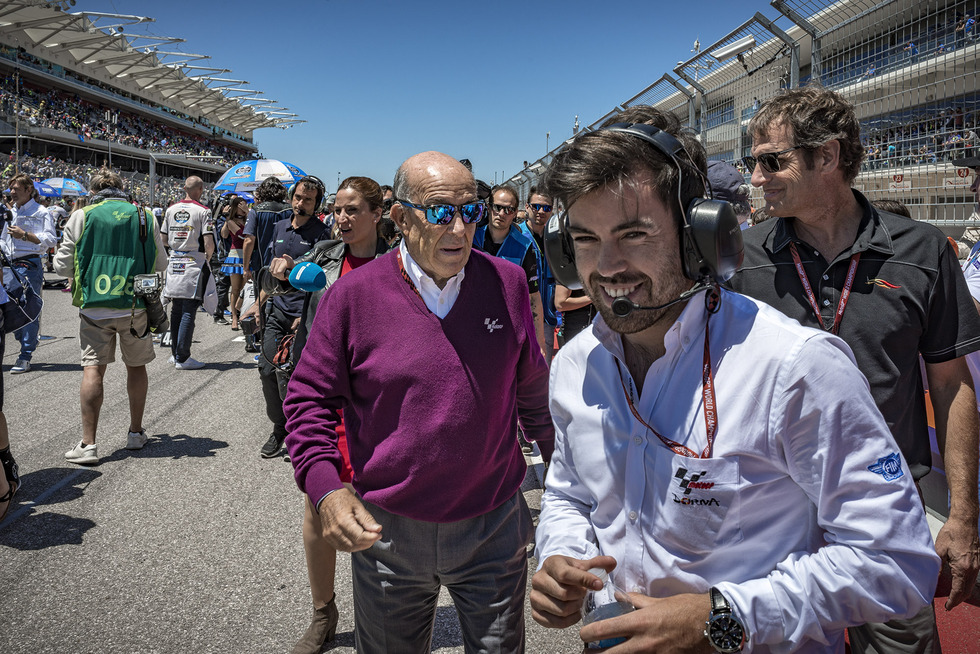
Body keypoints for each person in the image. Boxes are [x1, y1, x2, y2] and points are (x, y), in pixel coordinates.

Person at [530, 107, 942, 653]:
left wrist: (724, 619)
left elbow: (897, 562)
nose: (607, 267)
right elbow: (568, 493)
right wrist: (560, 554)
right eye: (584, 239)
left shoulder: (795, 368)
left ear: (701, 236)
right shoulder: (575, 365)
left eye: (634, 233)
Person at [729, 86, 980, 652]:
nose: (757, 177)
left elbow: (950, 382)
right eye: (753, 163)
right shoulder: (740, 257)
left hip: (884, 501)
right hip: (776, 505)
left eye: (773, 160)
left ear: (828, 156)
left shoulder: (922, 250)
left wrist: (963, 513)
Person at [283, 151, 554, 653]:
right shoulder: (351, 297)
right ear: (401, 217)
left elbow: (534, 395)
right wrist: (326, 488)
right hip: (386, 536)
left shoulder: (508, 283)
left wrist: (568, 487)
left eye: (470, 211)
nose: (459, 226)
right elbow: (308, 399)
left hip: (493, 527)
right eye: (439, 212)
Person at [261, 175, 390, 654]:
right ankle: (323, 611)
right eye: (337, 209)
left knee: (380, 506)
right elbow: (291, 285)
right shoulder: (322, 257)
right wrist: (277, 273)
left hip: (378, 396)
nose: (342, 217)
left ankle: (382, 609)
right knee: (320, 503)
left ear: (378, 214)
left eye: (353, 209)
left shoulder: (399, 264)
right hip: (328, 391)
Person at [53, 168, 168, 466]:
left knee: (93, 369)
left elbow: (62, 267)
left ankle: (88, 445)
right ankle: (135, 433)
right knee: (136, 367)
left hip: (94, 305)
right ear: (121, 188)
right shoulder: (144, 215)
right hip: (134, 304)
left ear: (93, 191)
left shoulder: (82, 215)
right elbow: (160, 263)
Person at [248, 176, 329, 459]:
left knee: (294, 375)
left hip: (303, 316)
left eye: (307, 200)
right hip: (276, 310)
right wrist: (258, 305)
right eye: (297, 197)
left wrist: (307, 314)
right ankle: (279, 426)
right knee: (267, 369)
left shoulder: (324, 234)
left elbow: (321, 280)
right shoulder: (279, 226)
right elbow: (271, 273)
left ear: (317, 203)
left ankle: (299, 431)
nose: (300, 203)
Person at [474, 185, 546, 356]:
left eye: (508, 209)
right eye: (498, 207)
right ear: (489, 207)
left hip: (506, 326)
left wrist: (540, 342)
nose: (501, 213)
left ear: (515, 213)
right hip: (472, 321)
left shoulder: (524, 246)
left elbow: (533, 296)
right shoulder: (471, 238)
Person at [1, 173, 57, 374]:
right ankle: (24, 340)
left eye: (16, 189)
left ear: (28, 190)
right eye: (11, 189)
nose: (12, 192)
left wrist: (25, 235)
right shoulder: (9, 212)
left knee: (28, 311)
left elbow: (51, 240)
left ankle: (25, 354)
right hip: (8, 265)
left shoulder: (41, 212)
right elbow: (3, 238)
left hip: (29, 265)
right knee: (9, 310)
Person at [160, 176, 214, 370]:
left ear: (184, 188)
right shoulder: (204, 211)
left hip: (175, 261)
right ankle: (183, 356)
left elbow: (163, 239)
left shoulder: (170, 209)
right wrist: (207, 257)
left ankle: (175, 354)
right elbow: (208, 242)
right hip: (194, 262)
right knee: (189, 309)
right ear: (200, 189)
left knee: (176, 308)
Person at [523, 186, 560, 362]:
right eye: (536, 206)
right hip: (521, 314)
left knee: (544, 367)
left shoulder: (554, 238)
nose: (541, 211)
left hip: (547, 314)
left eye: (546, 208)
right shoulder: (516, 235)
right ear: (527, 207)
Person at [241, 177, 291, 281]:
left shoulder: (256, 211)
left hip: (262, 265)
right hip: (285, 265)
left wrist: (245, 268)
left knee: (261, 296)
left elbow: (249, 240)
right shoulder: (290, 210)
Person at [219, 196, 248, 330]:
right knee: (235, 288)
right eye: (240, 206)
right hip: (236, 255)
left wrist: (248, 214)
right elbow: (241, 235)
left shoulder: (250, 219)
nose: (243, 208)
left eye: (245, 205)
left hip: (248, 256)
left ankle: (241, 311)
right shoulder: (230, 221)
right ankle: (234, 316)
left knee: (245, 288)